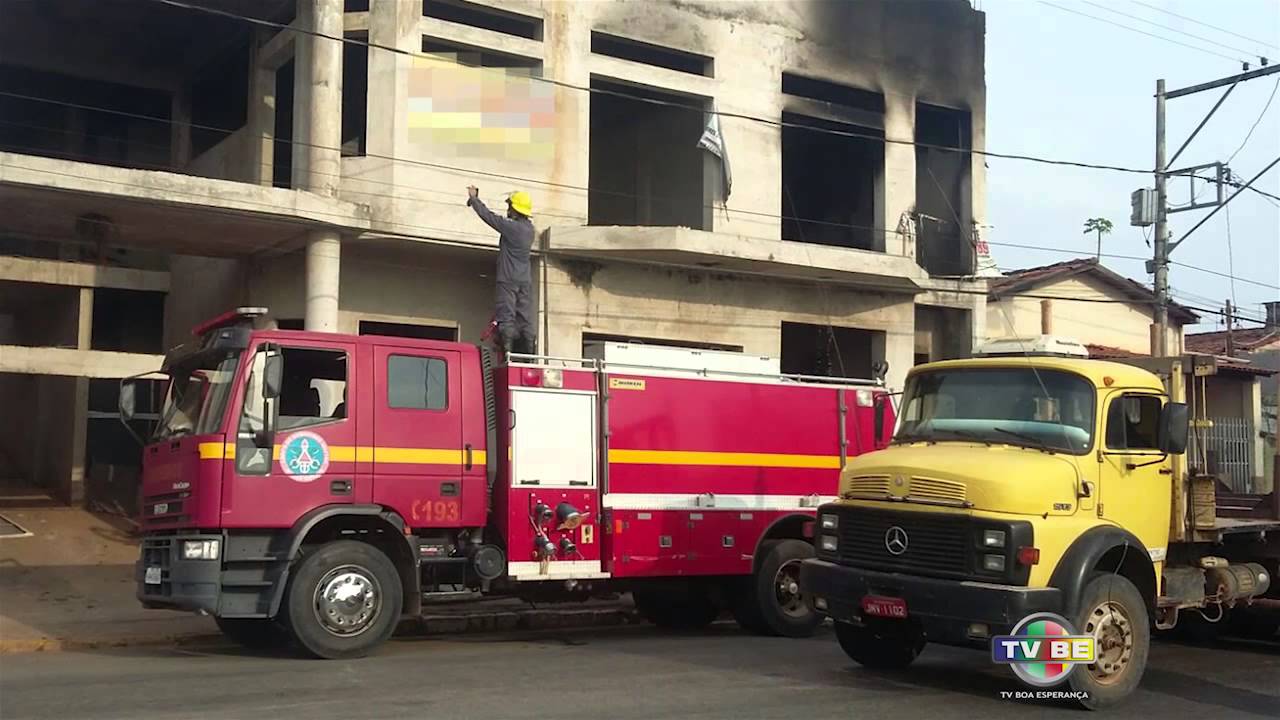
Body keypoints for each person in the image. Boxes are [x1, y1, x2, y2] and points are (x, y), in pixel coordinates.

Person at [466, 185, 536, 354]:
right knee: (525, 319)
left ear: (515, 209)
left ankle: (508, 355)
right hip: (524, 280)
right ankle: (530, 356)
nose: (508, 210)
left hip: (508, 279)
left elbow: (489, 217)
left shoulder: (512, 228)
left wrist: (475, 199)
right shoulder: (529, 229)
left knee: (506, 317)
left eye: (510, 207)